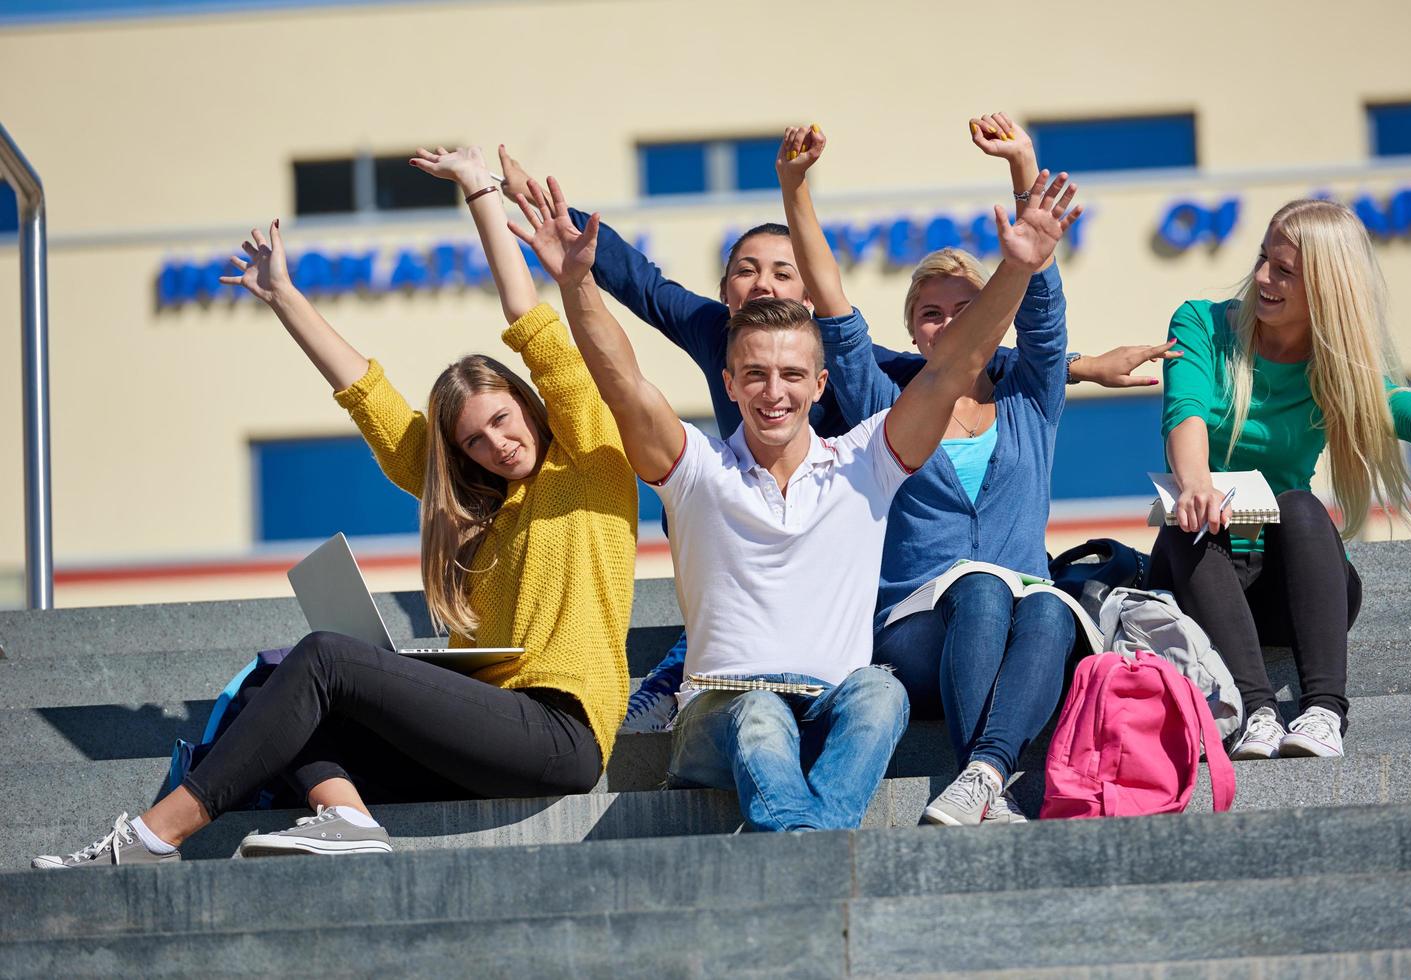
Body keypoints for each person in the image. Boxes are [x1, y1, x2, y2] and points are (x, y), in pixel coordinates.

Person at [30, 146, 638, 869]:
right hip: (488, 731)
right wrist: (285, 295)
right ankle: (345, 819)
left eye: (503, 421)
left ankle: (149, 838)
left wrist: (480, 192)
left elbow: (532, 328)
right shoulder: (480, 515)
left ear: (529, 407)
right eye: (474, 441)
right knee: (272, 685)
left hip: (557, 731)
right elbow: (372, 401)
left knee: (321, 660)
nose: (495, 445)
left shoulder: (591, 465)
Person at [490, 144, 1170, 733]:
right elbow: (638, 281)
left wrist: (1078, 366)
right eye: (746, 269)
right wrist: (534, 206)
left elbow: (950, 365)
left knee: (1009, 602)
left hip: (829, 544)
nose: (762, 283)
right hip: (741, 540)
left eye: (783, 272)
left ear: (812, 302)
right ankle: (676, 678)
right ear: (724, 292)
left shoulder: (860, 364)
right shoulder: (710, 331)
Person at [777, 116, 1105, 827]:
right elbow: (830, 303)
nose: (948, 323)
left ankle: (980, 775)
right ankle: (982, 774)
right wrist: (793, 187)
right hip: (914, 630)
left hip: (1020, 623)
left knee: (1049, 603)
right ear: (913, 332)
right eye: (930, 314)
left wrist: (1023, 167)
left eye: (965, 308)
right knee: (982, 588)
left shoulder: (1027, 396)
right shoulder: (884, 403)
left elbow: (1042, 311)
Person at [1147, 198, 1411, 761]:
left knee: (1299, 505)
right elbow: (1186, 409)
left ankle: (1323, 712)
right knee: (1184, 530)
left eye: (1285, 270)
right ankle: (1257, 712)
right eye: (1263, 259)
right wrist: (1196, 482)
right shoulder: (1200, 322)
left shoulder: (1334, 365)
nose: (1263, 277)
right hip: (1210, 575)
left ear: (1325, 285)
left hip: (1290, 582)